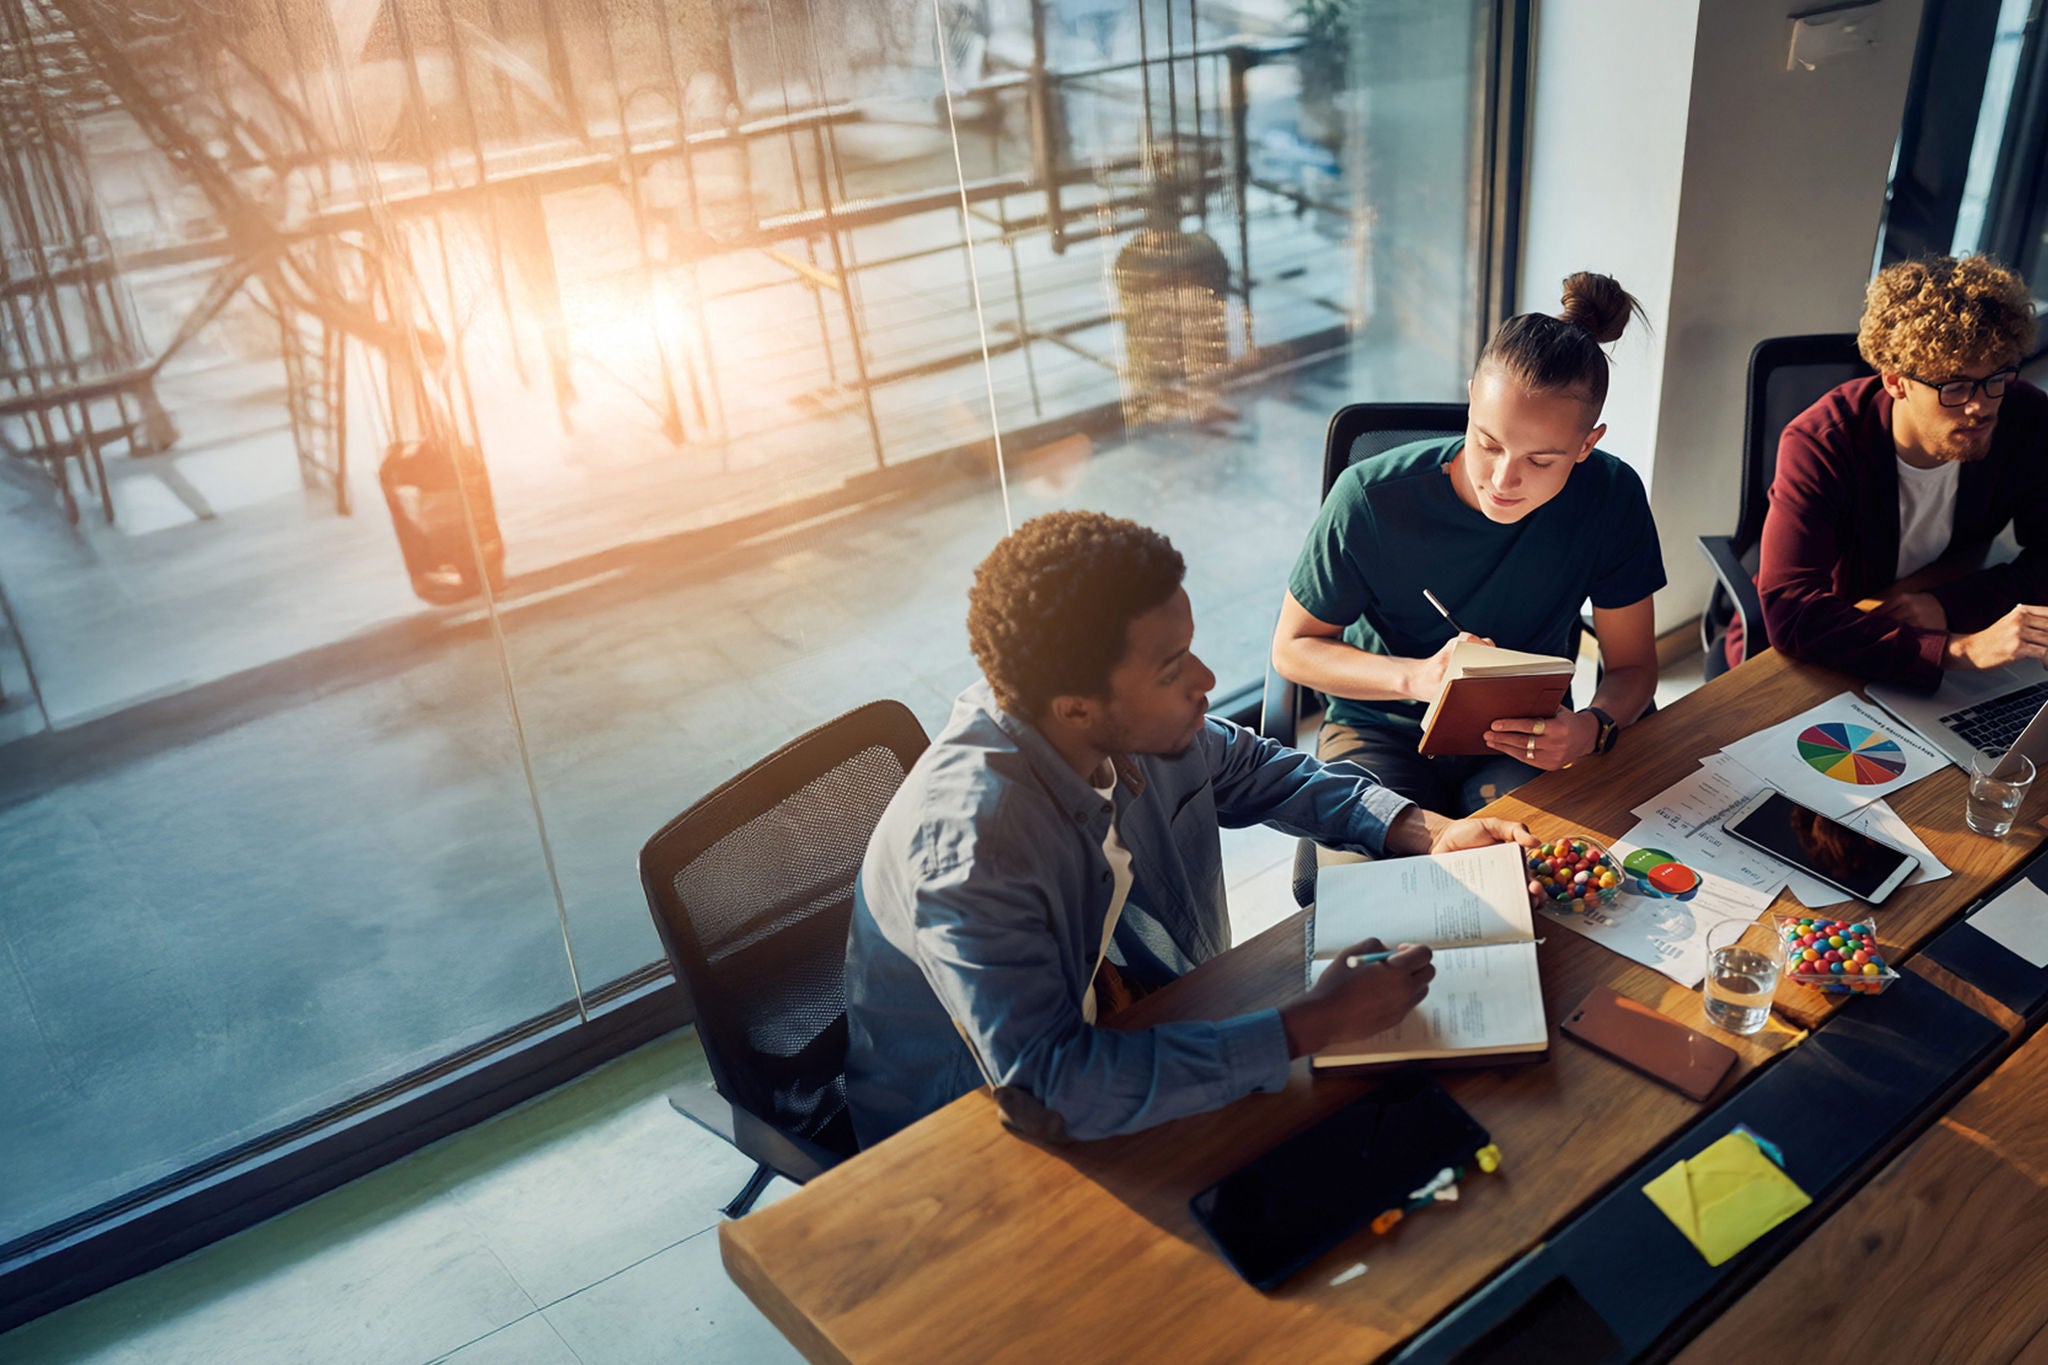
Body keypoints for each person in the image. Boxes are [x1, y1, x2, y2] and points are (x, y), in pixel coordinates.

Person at [843, 511, 1533, 1148]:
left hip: (1143, 1022)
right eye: (1174, 670)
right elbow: (1052, 1087)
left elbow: (1260, 768)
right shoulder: (972, 851)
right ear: (1078, 709)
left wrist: (1425, 830)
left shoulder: (1119, 723)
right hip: (967, 1142)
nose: (1207, 679)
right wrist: (1312, 1022)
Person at [1271, 272, 1666, 815]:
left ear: (1586, 445)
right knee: (1383, 884)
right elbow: (1292, 649)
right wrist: (1418, 677)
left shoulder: (1612, 496)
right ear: (1472, 400)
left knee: (1539, 873)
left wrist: (1591, 727)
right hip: (1380, 727)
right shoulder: (1370, 498)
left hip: (1525, 731)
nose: (1504, 480)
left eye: (1540, 460)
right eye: (1488, 443)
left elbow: (1633, 668)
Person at [1753, 254, 2048, 690]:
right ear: (1896, 382)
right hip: (1839, 638)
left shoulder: (2026, 419)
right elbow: (1793, 610)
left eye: (1996, 378)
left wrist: (1948, 608)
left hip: (1936, 603)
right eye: (1955, 386)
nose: (1980, 406)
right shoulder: (1821, 442)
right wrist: (1956, 650)